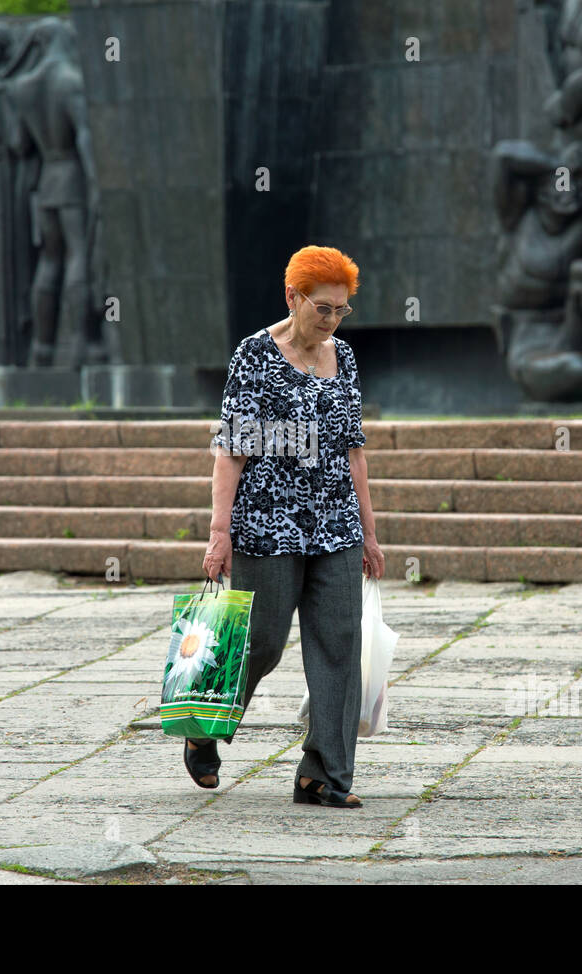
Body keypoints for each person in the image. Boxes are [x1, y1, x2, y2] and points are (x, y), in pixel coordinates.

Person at [189, 245, 385, 808]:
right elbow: (231, 450)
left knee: (340, 644)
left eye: (341, 311)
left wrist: (369, 534)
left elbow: (354, 452)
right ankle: (204, 727)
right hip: (266, 527)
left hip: (335, 527)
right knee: (262, 644)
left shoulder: (342, 358)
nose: (331, 321)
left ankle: (322, 772)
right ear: (292, 297)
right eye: (323, 309)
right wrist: (218, 532)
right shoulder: (254, 355)